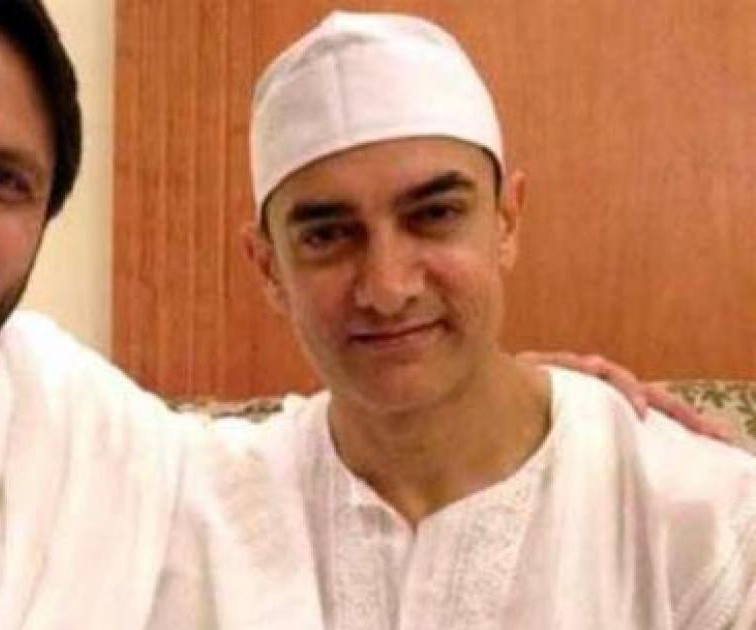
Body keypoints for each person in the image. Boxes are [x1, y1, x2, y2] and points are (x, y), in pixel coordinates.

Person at [0, 2, 719, 628]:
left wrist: (530, 395)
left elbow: (423, 407)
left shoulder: (104, 453)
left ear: (507, 221)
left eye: (1, 177)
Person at [151, 12, 756, 629]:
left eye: (435, 215)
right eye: (328, 235)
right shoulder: (196, 514)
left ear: (506, 222)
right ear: (269, 267)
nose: (388, 289)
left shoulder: (705, 522)